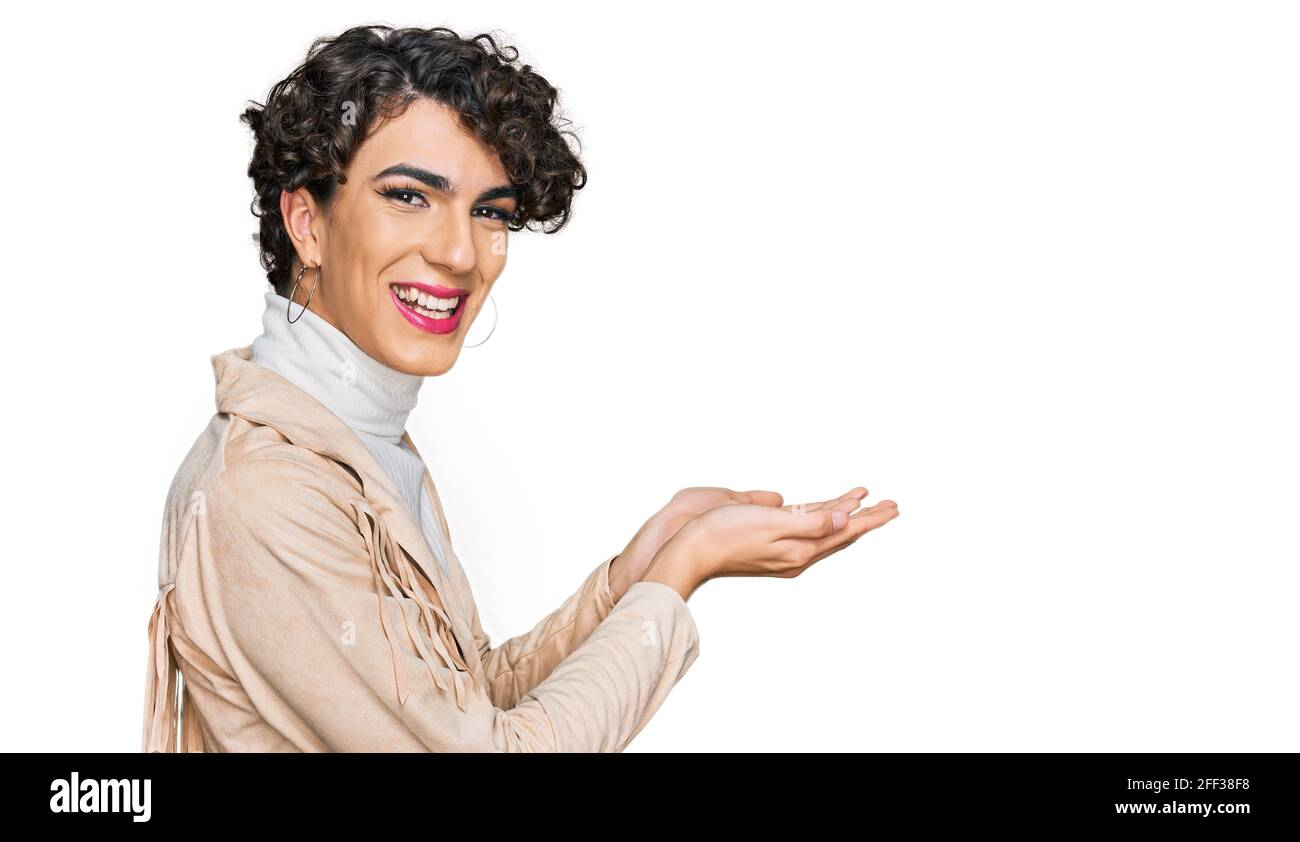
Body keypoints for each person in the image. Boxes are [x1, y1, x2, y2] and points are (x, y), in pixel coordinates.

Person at [142, 24, 900, 752]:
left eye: (488, 211)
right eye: (409, 196)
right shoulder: (270, 489)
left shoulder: (355, 441)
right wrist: (681, 572)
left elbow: (459, 705)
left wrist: (633, 575)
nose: (459, 251)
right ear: (306, 222)